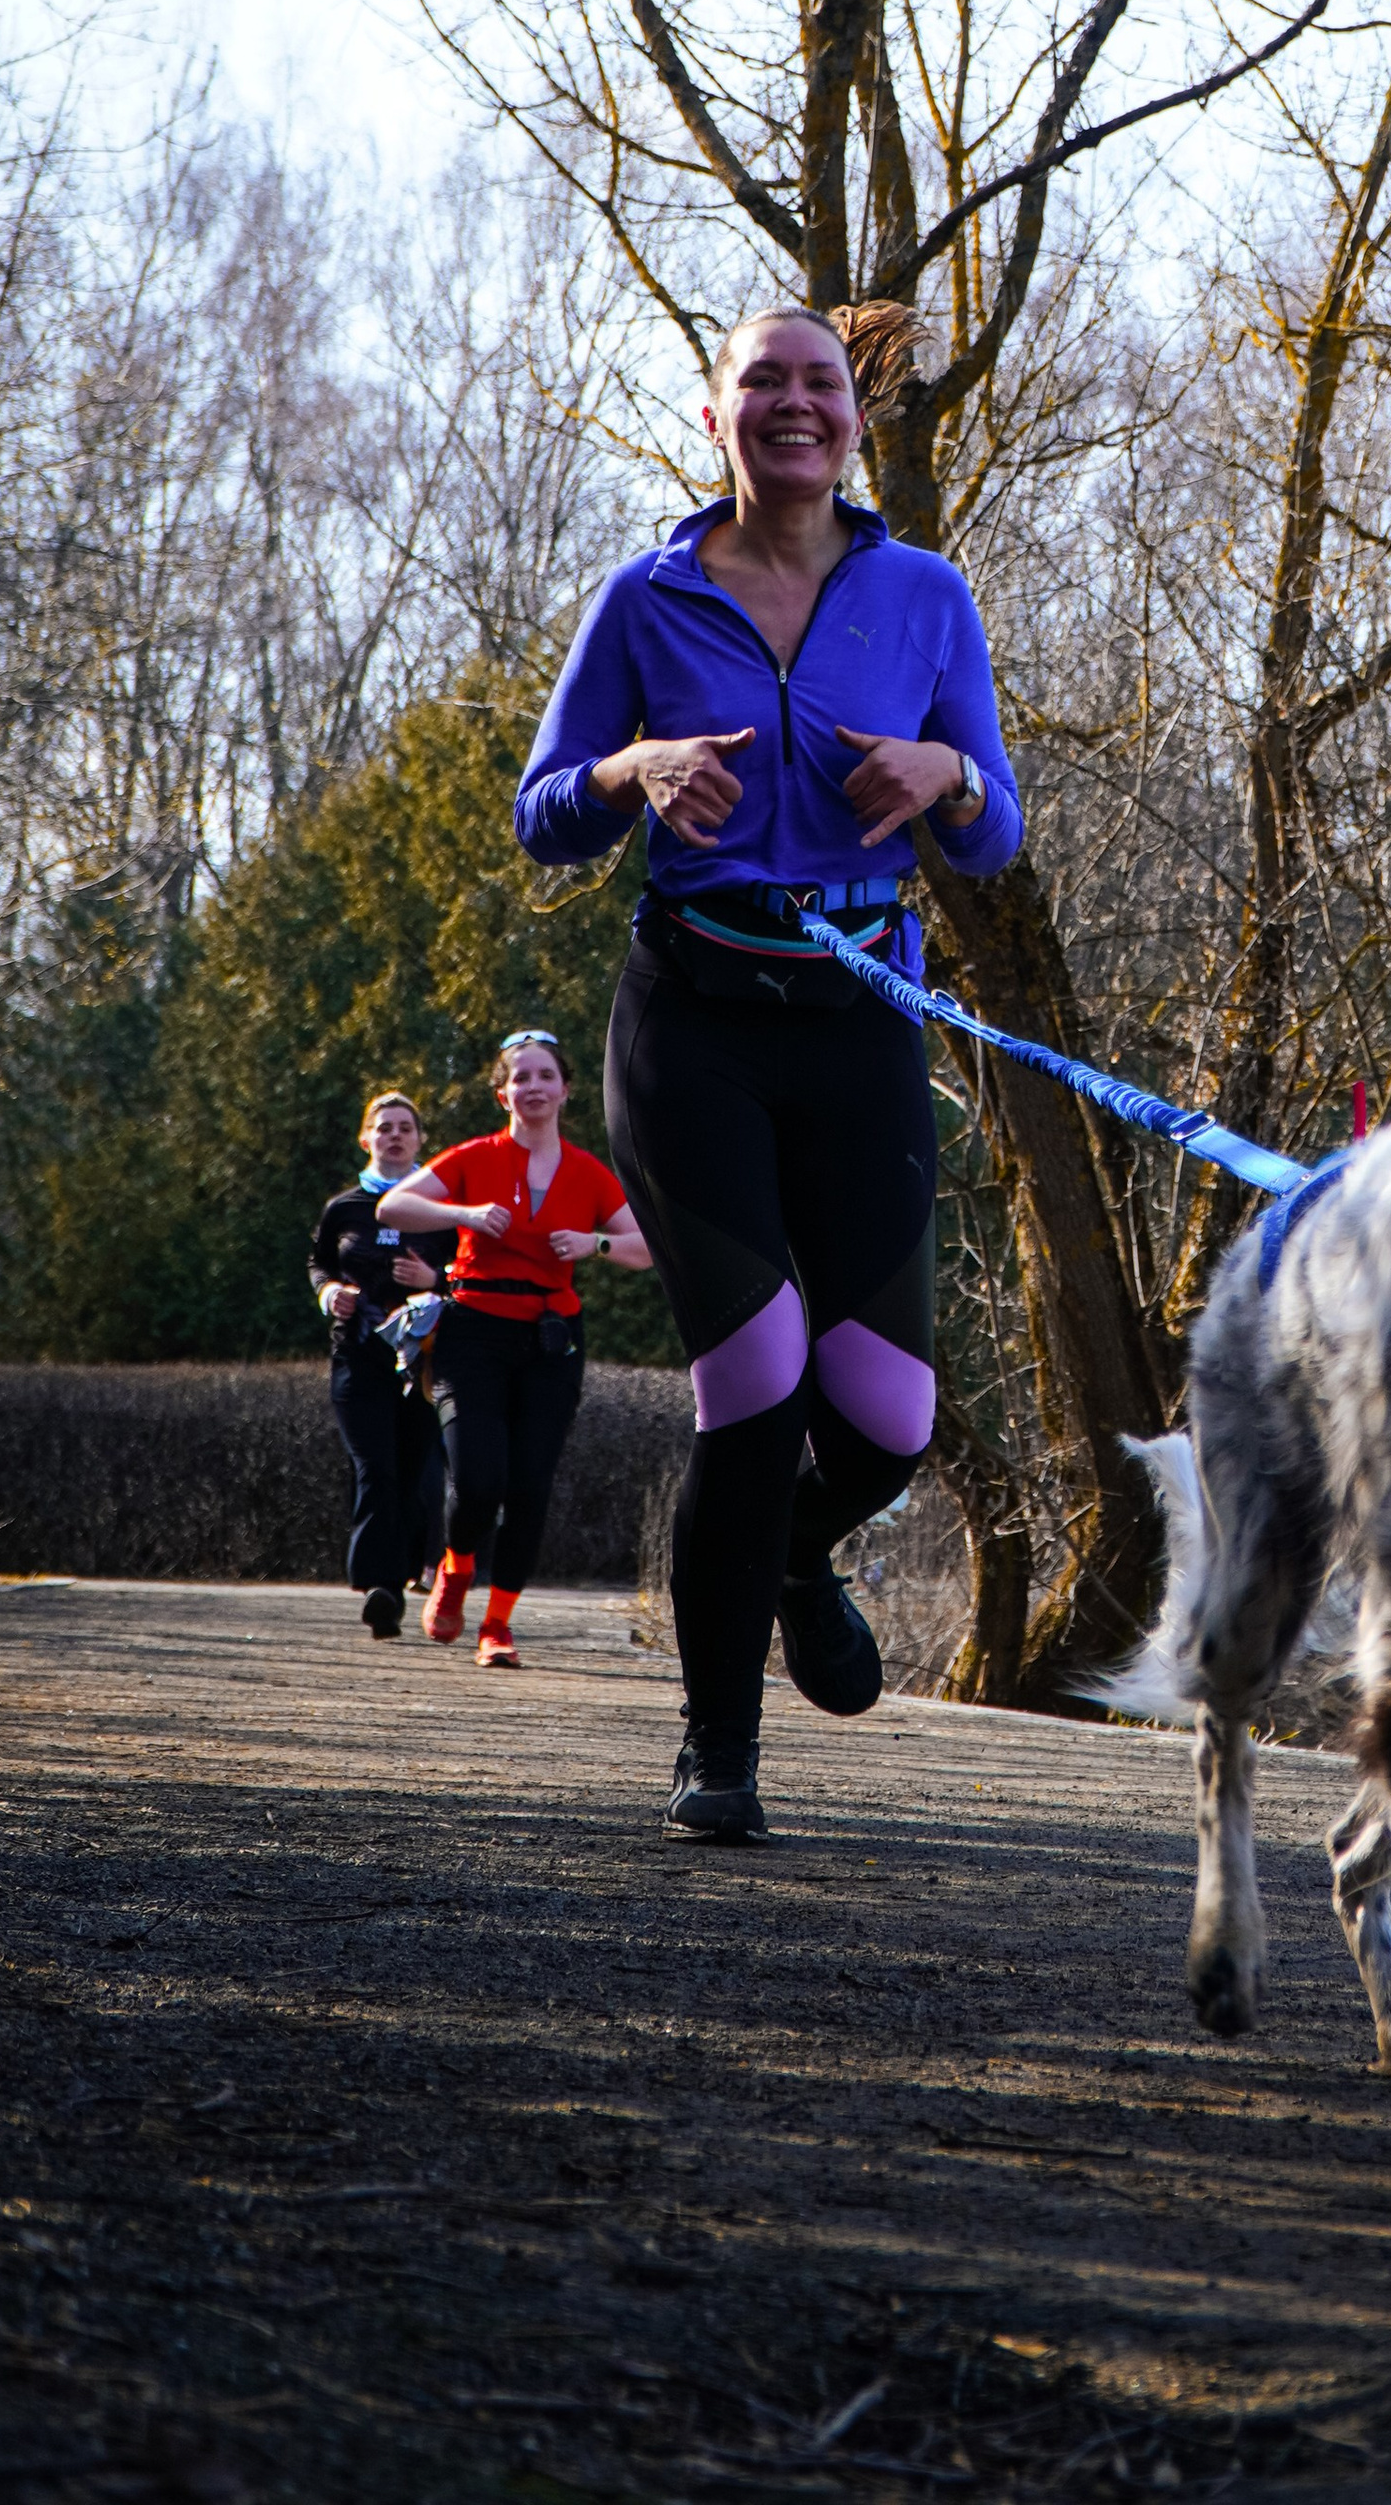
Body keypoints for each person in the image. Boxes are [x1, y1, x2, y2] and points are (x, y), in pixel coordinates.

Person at [513, 301, 1023, 1844]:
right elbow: (545, 810)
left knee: (887, 1418)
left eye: (821, 384)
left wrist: (952, 776)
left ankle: (796, 1558)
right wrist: (628, 771)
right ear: (719, 410)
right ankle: (716, 1748)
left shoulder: (925, 595)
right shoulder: (649, 597)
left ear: (854, 412)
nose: (795, 407)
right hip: (696, 1019)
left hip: (861, 1017)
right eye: (764, 384)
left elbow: (993, 835)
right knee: (755, 1378)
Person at [375, 1034, 651, 1667]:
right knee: (477, 1481)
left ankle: (497, 1626)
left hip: (552, 1340)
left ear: (565, 1090)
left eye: (545, 1076)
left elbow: (645, 1246)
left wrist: (594, 1245)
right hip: (473, 1331)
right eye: (520, 1077)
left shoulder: (587, 1172)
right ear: (504, 1093)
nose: (533, 1087)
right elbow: (395, 1204)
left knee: (529, 1486)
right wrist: (466, 1215)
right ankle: (455, 1567)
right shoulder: (476, 1156)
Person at [311, 1089, 453, 1641]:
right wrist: (330, 1295)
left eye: (405, 1127)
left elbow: (467, 1270)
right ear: (366, 1138)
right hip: (358, 1355)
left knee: (417, 1472)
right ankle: (379, 1585)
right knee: (375, 1467)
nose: (394, 1135)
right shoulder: (344, 1208)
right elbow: (319, 1263)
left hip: (422, 1360)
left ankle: (405, 1576)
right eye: (384, 1126)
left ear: (420, 1139)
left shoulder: (439, 1207)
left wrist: (435, 1281)